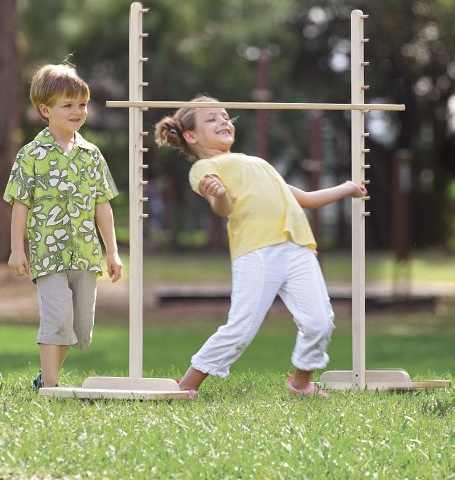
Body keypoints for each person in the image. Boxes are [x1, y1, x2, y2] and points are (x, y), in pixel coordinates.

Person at [154, 94, 367, 398]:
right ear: (191, 136)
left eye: (225, 116)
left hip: (298, 248)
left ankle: (301, 384)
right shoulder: (205, 168)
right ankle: (187, 385)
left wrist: (347, 188)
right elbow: (222, 208)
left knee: (320, 322)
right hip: (257, 253)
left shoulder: (256, 163)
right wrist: (220, 194)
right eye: (212, 119)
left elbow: (306, 200)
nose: (223, 121)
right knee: (241, 329)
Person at [3, 63, 123, 389]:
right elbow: (20, 204)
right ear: (46, 110)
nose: (78, 111)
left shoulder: (91, 155)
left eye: (82, 104)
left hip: (85, 253)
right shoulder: (31, 155)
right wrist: (17, 250)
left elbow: (102, 205)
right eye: (68, 105)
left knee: (79, 328)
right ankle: (51, 388)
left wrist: (112, 251)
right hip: (48, 254)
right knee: (57, 319)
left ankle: (45, 377)